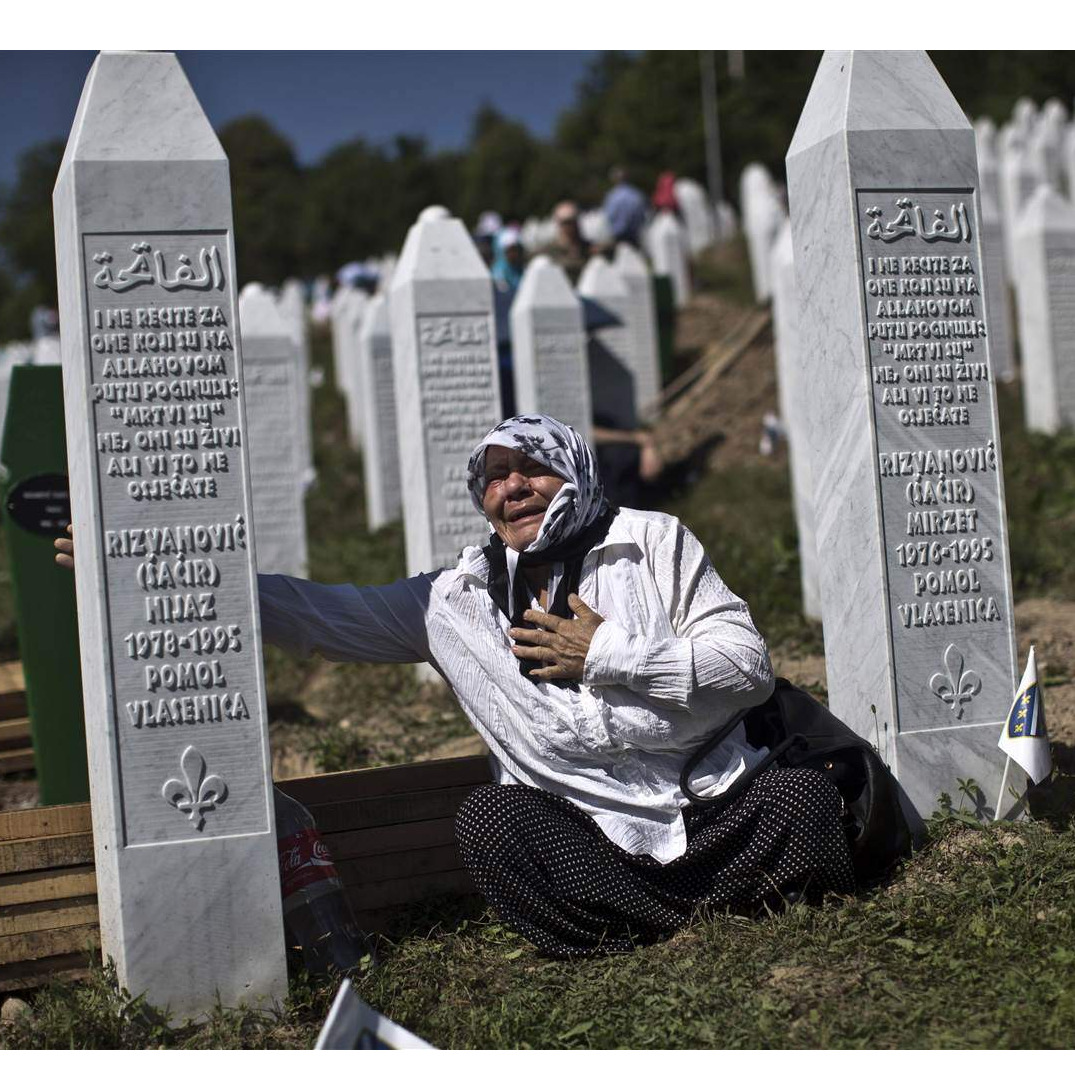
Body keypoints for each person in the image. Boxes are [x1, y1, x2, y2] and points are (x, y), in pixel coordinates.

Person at [55, 415, 854, 957]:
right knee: (489, 824)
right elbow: (318, 614)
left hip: (710, 803)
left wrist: (606, 651)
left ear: (571, 469)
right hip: (588, 833)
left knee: (804, 804)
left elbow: (746, 666)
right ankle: (680, 921)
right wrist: (161, 578)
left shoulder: (653, 543)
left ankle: (689, 911)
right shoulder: (452, 601)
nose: (511, 488)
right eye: (494, 477)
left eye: (530, 469)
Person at [541, 201, 592, 284]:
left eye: (573, 221)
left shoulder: (587, 247)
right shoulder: (550, 249)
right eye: (566, 222)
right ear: (558, 223)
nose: (570, 226)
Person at [602, 166, 648, 248]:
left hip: (618, 237)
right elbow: (643, 216)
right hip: (635, 236)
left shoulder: (612, 196)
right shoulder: (637, 195)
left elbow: (609, 217)